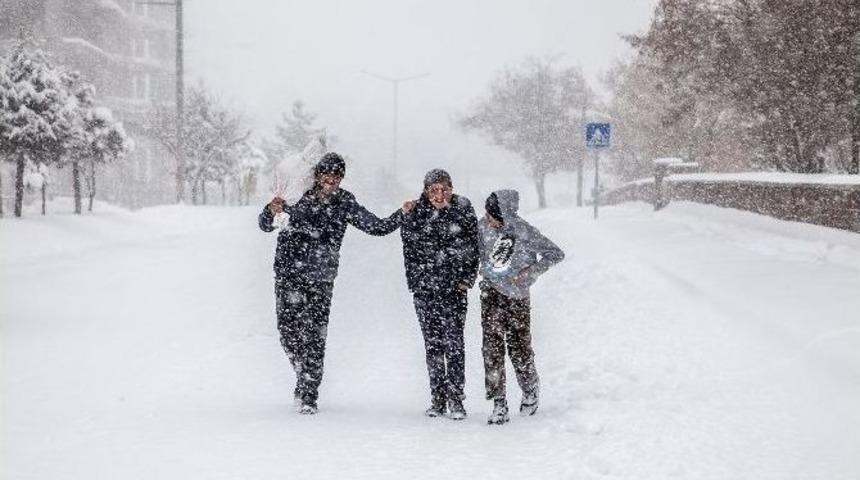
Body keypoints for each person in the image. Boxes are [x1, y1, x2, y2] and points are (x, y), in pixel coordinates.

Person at [258, 152, 407, 415]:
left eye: (337, 175)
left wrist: (401, 214)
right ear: (317, 175)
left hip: (321, 278)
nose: (331, 180)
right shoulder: (297, 196)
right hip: (288, 274)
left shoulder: (345, 202)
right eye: (327, 174)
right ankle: (302, 372)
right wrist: (272, 209)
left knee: (315, 337)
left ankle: (309, 394)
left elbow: (377, 226)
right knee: (289, 335)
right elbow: (265, 225)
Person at [477, 189, 564, 425]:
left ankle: (530, 390)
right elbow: (472, 255)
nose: (488, 218)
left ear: (505, 214)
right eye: (486, 213)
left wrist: (528, 273)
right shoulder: (481, 228)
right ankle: (499, 402)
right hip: (491, 295)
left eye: (492, 214)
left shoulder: (524, 231)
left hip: (518, 300)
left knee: (519, 348)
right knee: (492, 350)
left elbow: (555, 253)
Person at [400, 169, 479, 420]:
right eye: (434, 190)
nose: (439, 194)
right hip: (425, 290)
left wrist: (467, 279)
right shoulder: (416, 212)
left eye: (444, 189)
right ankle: (437, 398)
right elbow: (409, 250)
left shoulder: (463, 209)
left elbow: (474, 247)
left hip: (454, 289)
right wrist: (415, 282)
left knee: (454, 345)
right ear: (425, 190)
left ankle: (456, 398)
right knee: (433, 345)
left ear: (452, 189)